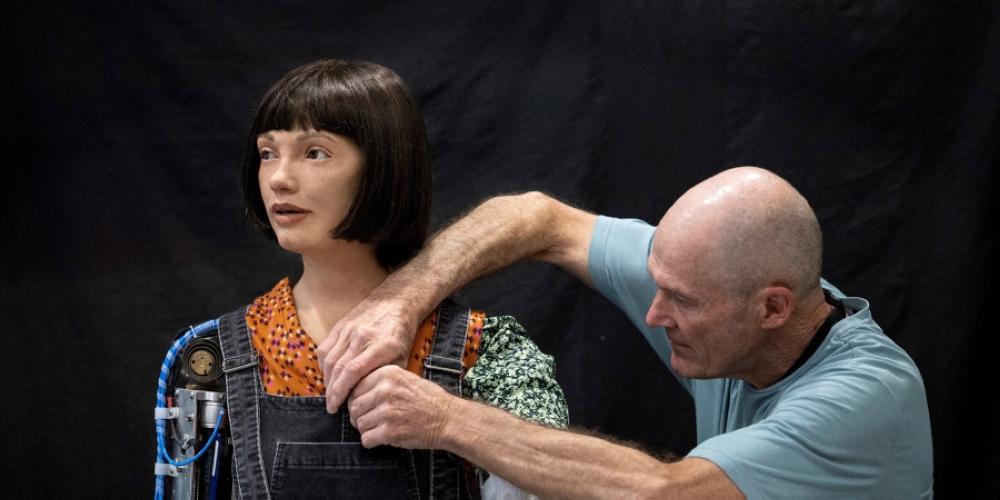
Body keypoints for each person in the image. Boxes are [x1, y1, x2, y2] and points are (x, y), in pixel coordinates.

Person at [317, 166, 934, 499]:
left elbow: (661, 493)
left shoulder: (865, 399)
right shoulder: (715, 283)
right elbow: (538, 217)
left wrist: (445, 419)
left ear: (772, 308)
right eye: (657, 284)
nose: (655, 314)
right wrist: (399, 301)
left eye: (681, 301)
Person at [156, 59, 567, 499]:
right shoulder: (211, 358)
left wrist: (450, 421)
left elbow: (555, 481)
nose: (279, 179)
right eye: (267, 153)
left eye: (316, 153)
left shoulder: (485, 353)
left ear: (384, 168)